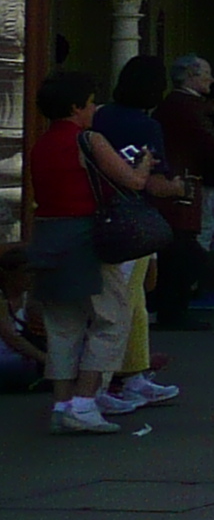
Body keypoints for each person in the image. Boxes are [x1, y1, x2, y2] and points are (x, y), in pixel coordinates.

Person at [35, 74, 161, 436]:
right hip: (85, 236)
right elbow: (133, 182)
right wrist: (145, 163)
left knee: (62, 326)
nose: (93, 109)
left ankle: (62, 404)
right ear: (76, 107)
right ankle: (85, 401)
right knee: (111, 316)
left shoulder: (41, 144)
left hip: (48, 235)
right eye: (90, 103)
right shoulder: (88, 139)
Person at [89, 59, 183, 410]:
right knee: (126, 304)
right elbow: (154, 183)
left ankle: (129, 374)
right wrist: (178, 188)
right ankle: (114, 381)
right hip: (132, 223)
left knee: (124, 303)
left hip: (95, 216)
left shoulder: (99, 117)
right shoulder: (146, 126)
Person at [151, 56, 214, 328]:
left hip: (185, 181)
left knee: (184, 248)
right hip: (180, 185)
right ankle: (173, 311)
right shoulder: (185, 106)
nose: (210, 80)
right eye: (206, 74)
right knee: (184, 250)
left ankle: (173, 308)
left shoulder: (180, 104)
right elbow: (207, 137)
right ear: (190, 75)